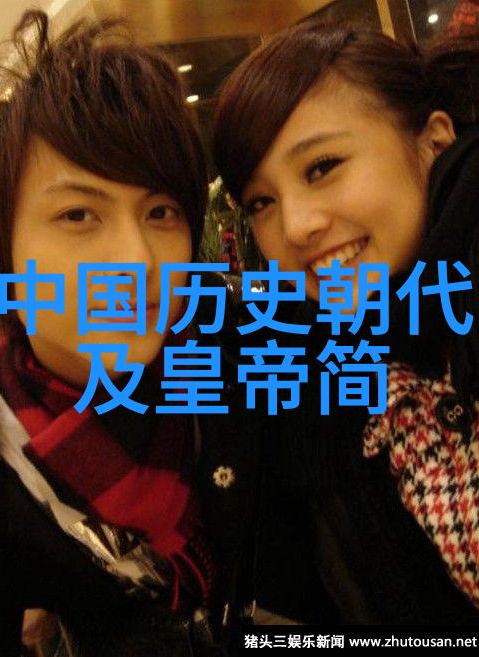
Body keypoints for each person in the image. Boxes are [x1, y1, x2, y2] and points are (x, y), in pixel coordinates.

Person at [212, 17, 479, 625]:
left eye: (322, 166)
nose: (296, 227)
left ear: (435, 141)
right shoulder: (322, 383)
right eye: (261, 202)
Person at [0, 9, 224, 656]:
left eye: (160, 211)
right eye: (78, 214)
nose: (137, 261)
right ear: (0, 252)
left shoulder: (244, 360)